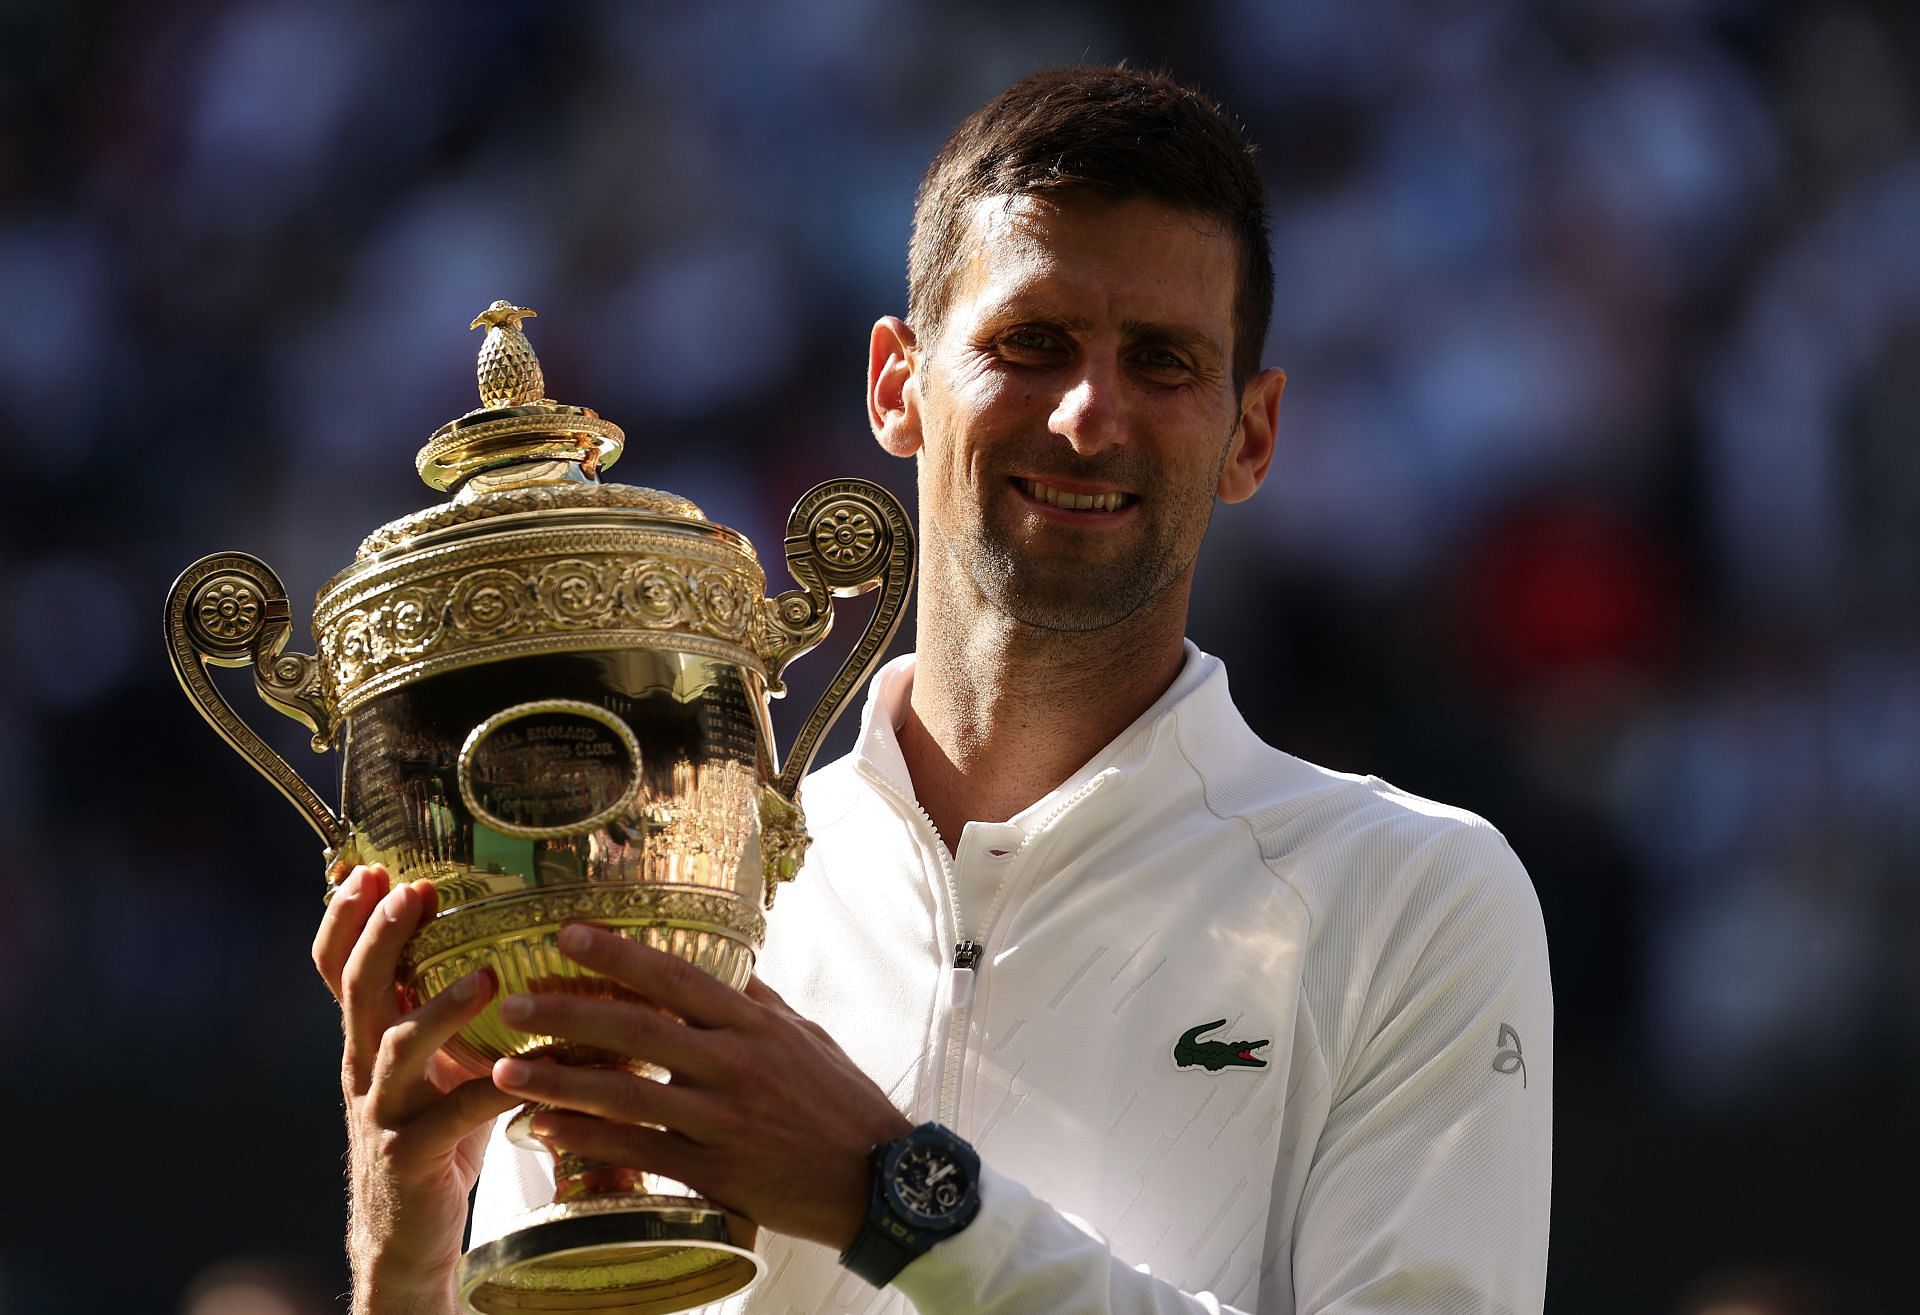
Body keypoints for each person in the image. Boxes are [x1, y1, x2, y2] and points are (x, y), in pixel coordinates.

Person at [311, 65, 1552, 1314]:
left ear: (1252, 433)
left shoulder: (1417, 896)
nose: (1087, 414)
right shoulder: (654, 895)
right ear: (896, 384)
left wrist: (891, 1197)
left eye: (1165, 362)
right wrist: (403, 1257)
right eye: (1031, 342)